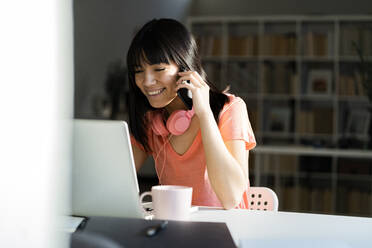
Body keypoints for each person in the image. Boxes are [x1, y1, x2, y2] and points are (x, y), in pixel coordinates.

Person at [126, 18, 256, 209]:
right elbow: (115, 182)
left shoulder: (230, 108)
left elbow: (230, 198)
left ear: (185, 68)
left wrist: (204, 114)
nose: (147, 81)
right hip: (175, 231)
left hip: (226, 231)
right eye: (139, 71)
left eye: (158, 69)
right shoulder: (151, 121)